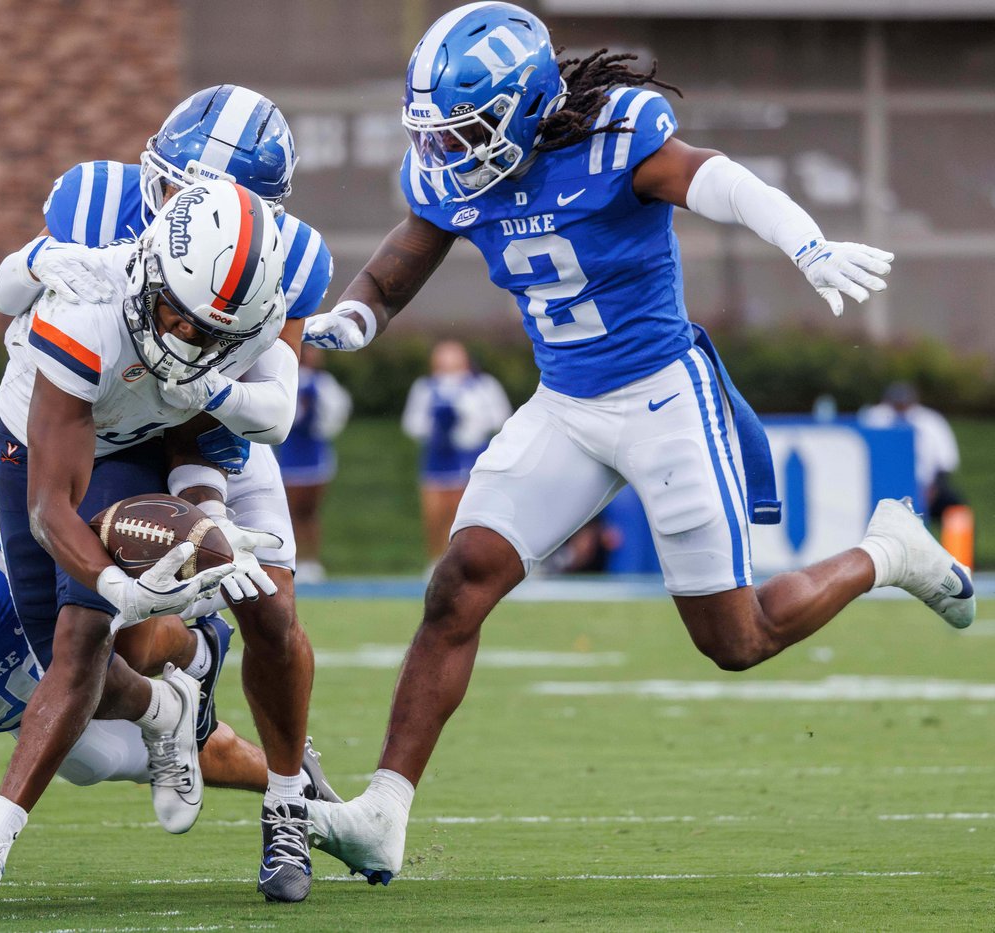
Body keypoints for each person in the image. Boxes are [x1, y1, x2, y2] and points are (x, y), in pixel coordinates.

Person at [299, 2, 973, 882]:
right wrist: (356, 312)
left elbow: (720, 179)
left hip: (664, 399)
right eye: (437, 132)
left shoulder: (618, 137)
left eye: (465, 129)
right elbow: (401, 260)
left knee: (737, 638)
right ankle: (384, 810)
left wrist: (804, 243)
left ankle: (890, 551)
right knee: (458, 584)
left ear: (528, 104)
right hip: (565, 405)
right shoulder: (458, 175)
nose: (447, 151)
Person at [0, 86, 332, 904]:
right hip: (108, 428)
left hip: (215, 423)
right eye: (173, 186)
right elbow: (12, 310)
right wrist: (37, 261)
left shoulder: (288, 259)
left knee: (273, 611)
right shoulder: (95, 204)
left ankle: (287, 801)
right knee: (118, 643)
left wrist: (207, 496)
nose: (187, 209)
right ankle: (191, 675)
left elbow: (264, 412)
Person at [0, 490, 340, 879]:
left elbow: (95, 562)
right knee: (93, 760)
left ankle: (196, 646)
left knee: (122, 634)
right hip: (32, 703)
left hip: (72, 640)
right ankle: (297, 786)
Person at [400, 340, 511, 566]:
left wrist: (470, 424)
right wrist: (437, 428)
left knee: (468, 514)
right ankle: (436, 561)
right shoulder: (426, 387)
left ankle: (470, 562)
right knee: (435, 515)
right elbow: (412, 423)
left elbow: (501, 417)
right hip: (437, 460)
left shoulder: (483, 385)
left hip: (472, 460)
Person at [276, 347, 351, 583]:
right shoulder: (285, 377)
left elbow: (336, 414)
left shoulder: (324, 382)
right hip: (288, 454)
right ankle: (290, 560)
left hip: (314, 454)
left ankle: (312, 561)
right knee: (289, 512)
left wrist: (318, 421)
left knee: (310, 511)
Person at [860, 382, 963, 523]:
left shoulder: (931, 421)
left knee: (958, 511)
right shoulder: (874, 418)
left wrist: (933, 490)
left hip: (926, 488)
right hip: (881, 486)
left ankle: (953, 545)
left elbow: (945, 463)